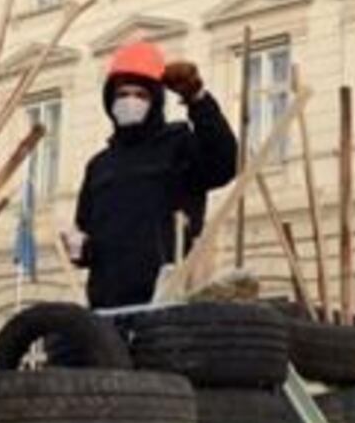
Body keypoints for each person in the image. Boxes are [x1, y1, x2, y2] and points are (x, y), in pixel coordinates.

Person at [66, 40, 239, 309]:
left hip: (168, 301)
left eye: (140, 95)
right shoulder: (99, 166)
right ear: (110, 100)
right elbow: (88, 234)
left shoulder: (178, 144)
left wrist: (197, 99)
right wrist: (80, 249)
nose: (130, 101)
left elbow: (224, 162)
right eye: (122, 94)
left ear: (155, 100)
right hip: (108, 307)